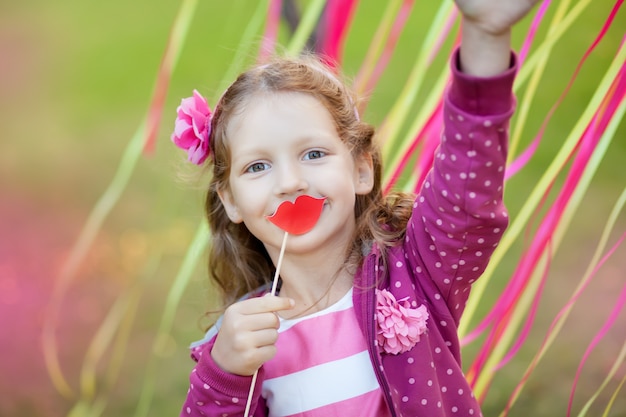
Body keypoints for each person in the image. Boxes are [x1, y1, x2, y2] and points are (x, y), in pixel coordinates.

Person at [171, 1, 540, 416]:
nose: (291, 182)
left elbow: (465, 196)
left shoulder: (415, 275)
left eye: (313, 154)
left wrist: (485, 38)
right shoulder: (241, 343)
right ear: (231, 200)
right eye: (258, 166)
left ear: (361, 168)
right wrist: (223, 376)